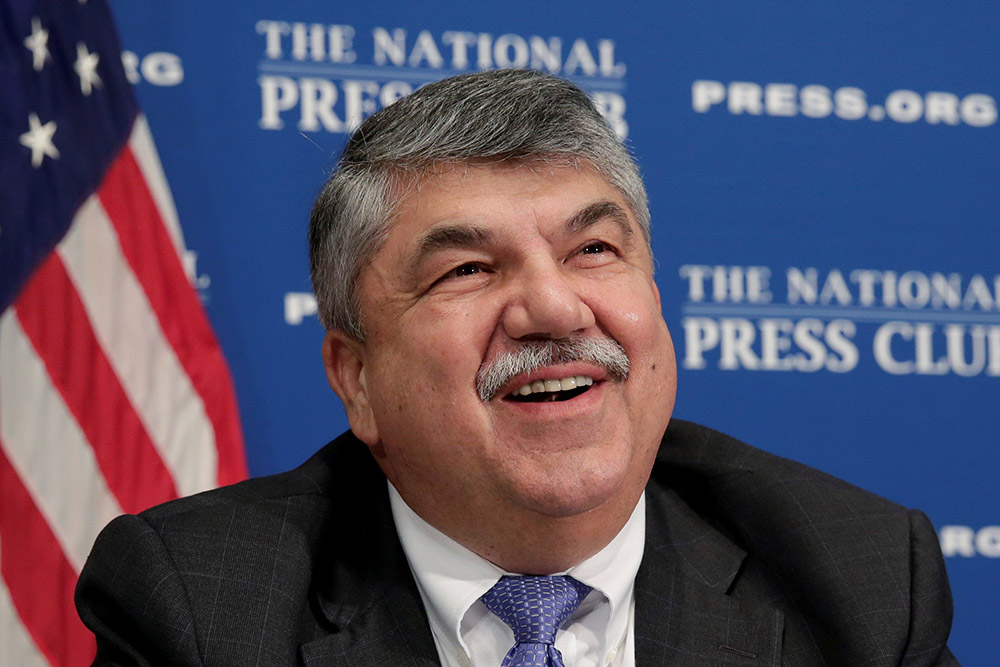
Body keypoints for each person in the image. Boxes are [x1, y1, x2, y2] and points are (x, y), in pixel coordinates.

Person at [76, 69, 958, 666]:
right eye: (467, 269)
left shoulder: (861, 583)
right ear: (355, 377)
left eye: (594, 248)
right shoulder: (202, 609)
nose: (555, 309)